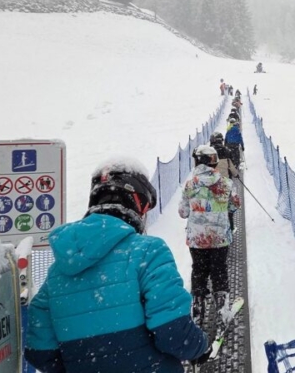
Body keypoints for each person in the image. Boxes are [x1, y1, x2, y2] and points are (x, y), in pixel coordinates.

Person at [24, 158, 211, 372]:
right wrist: (200, 347)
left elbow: (40, 350)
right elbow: (173, 332)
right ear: (136, 204)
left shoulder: (57, 272)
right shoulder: (148, 251)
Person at [179, 146, 241, 332]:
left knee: (199, 271)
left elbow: (183, 212)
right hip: (219, 238)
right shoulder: (225, 183)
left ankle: (197, 311)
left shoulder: (190, 185)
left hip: (197, 240)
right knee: (219, 271)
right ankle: (222, 313)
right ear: (213, 162)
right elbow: (234, 206)